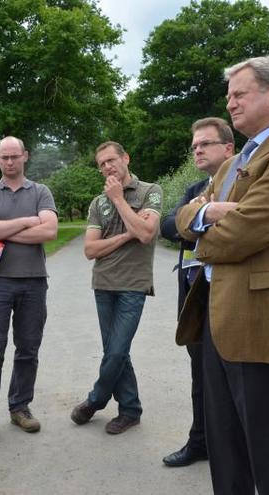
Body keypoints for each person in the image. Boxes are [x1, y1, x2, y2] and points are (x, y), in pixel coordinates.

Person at [174, 56, 269, 494]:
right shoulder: (234, 160)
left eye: (239, 94)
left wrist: (200, 230)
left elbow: (243, 233)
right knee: (225, 455)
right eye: (228, 96)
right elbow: (181, 217)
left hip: (264, 324)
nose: (230, 104)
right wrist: (206, 212)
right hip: (218, 322)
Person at [70, 141, 162, 435]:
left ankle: (95, 399)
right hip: (103, 284)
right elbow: (90, 250)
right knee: (116, 351)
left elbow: (146, 234)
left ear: (126, 158)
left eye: (111, 160)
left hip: (133, 285)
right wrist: (126, 235)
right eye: (102, 164)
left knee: (118, 349)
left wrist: (120, 199)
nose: (107, 167)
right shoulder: (98, 203)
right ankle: (131, 409)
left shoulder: (150, 191)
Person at [0, 136, 58, 446]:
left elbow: (49, 231)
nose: (9, 162)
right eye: (4, 157)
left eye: (14, 156)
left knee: (28, 350)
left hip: (34, 281)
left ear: (25, 157)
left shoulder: (41, 192)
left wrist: (3, 231)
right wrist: (25, 223)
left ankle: (20, 407)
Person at [160, 117, 234, 467]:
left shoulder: (240, 188)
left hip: (231, 301)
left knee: (233, 381)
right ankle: (200, 442)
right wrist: (201, 211)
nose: (197, 150)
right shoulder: (194, 190)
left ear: (229, 148)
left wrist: (195, 218)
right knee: (200, 379)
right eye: (194, 146)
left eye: (205, 144)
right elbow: (168, 226)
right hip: (194, 301)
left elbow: (235, 227)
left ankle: (232, 449)